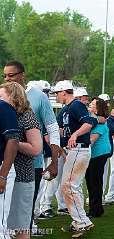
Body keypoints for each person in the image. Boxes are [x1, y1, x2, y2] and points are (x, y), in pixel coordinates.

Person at [3, 61, 61, 234]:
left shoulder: (38, 97)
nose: (7, 78)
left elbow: (52, 128)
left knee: (23, 218)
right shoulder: (2, 95)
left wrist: (54, 160)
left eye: (11, 75)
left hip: (29, 165)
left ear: (22, 75)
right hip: (4, 165)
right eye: (5, 75)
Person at [53, 80, 96, 237]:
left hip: (80, 148)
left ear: (64, 92)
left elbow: (89, 123)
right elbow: (57, 129)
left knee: (69, 186)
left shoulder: (76, 105)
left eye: (57, 93)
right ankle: (81, 220)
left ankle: (82, 222)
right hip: (73, 150)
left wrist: (76, 134)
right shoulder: (65, 109)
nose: (56, 96)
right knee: (71, 186)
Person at [0, 82, 42, 239]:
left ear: (13, 97)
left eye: (1, 96)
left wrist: (11, 142)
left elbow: (36, 149)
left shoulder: (26, 115)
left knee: (20, 228)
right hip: (8, 172)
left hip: (22, 177)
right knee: (6, 225)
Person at [85, 98, 111, 217]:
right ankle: (95, 209)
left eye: (92, 104)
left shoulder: (101, 122)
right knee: (92, 181)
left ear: (97, 108)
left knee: (94, 181)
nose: (90, 105)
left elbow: (92, 140)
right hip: (96, 154)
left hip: (99, 154)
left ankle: (95, 210)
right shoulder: (96, 120)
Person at [0, 91, 20, 239]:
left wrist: (3, 175)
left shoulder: (4, 107)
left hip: (2, 167)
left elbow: (13, 141)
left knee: (1, 226)